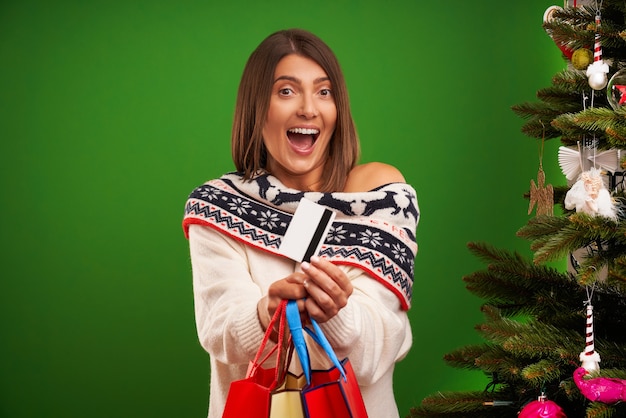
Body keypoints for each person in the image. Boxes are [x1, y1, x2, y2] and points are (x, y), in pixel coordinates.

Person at [183, 28, 419, 418]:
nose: (308, 108)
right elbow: (219, 330)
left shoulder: (380, 197)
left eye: (324, 92)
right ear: (257, 108)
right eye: (286, 91)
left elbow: (376, 356)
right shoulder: (218, 205)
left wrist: (336, 314)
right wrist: (266, 314)